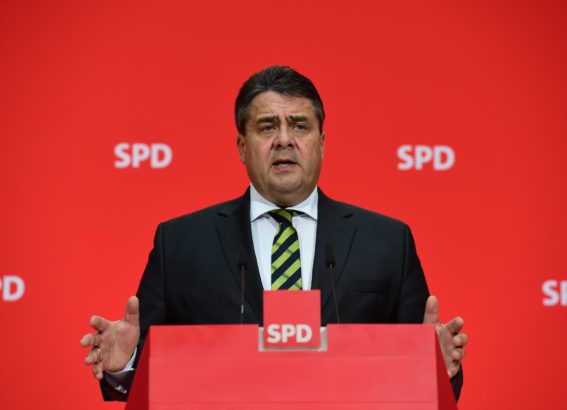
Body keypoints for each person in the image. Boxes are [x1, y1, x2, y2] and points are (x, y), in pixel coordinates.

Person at [80, 65, 468, 401]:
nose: (284, 139)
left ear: (322, 143)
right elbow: (150, 377)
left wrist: (438, 368)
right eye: (267, 127)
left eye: (299, 125)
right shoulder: (180, 243)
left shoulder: (386, 242)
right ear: (241, 146)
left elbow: (426, 379)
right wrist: (127, 363)